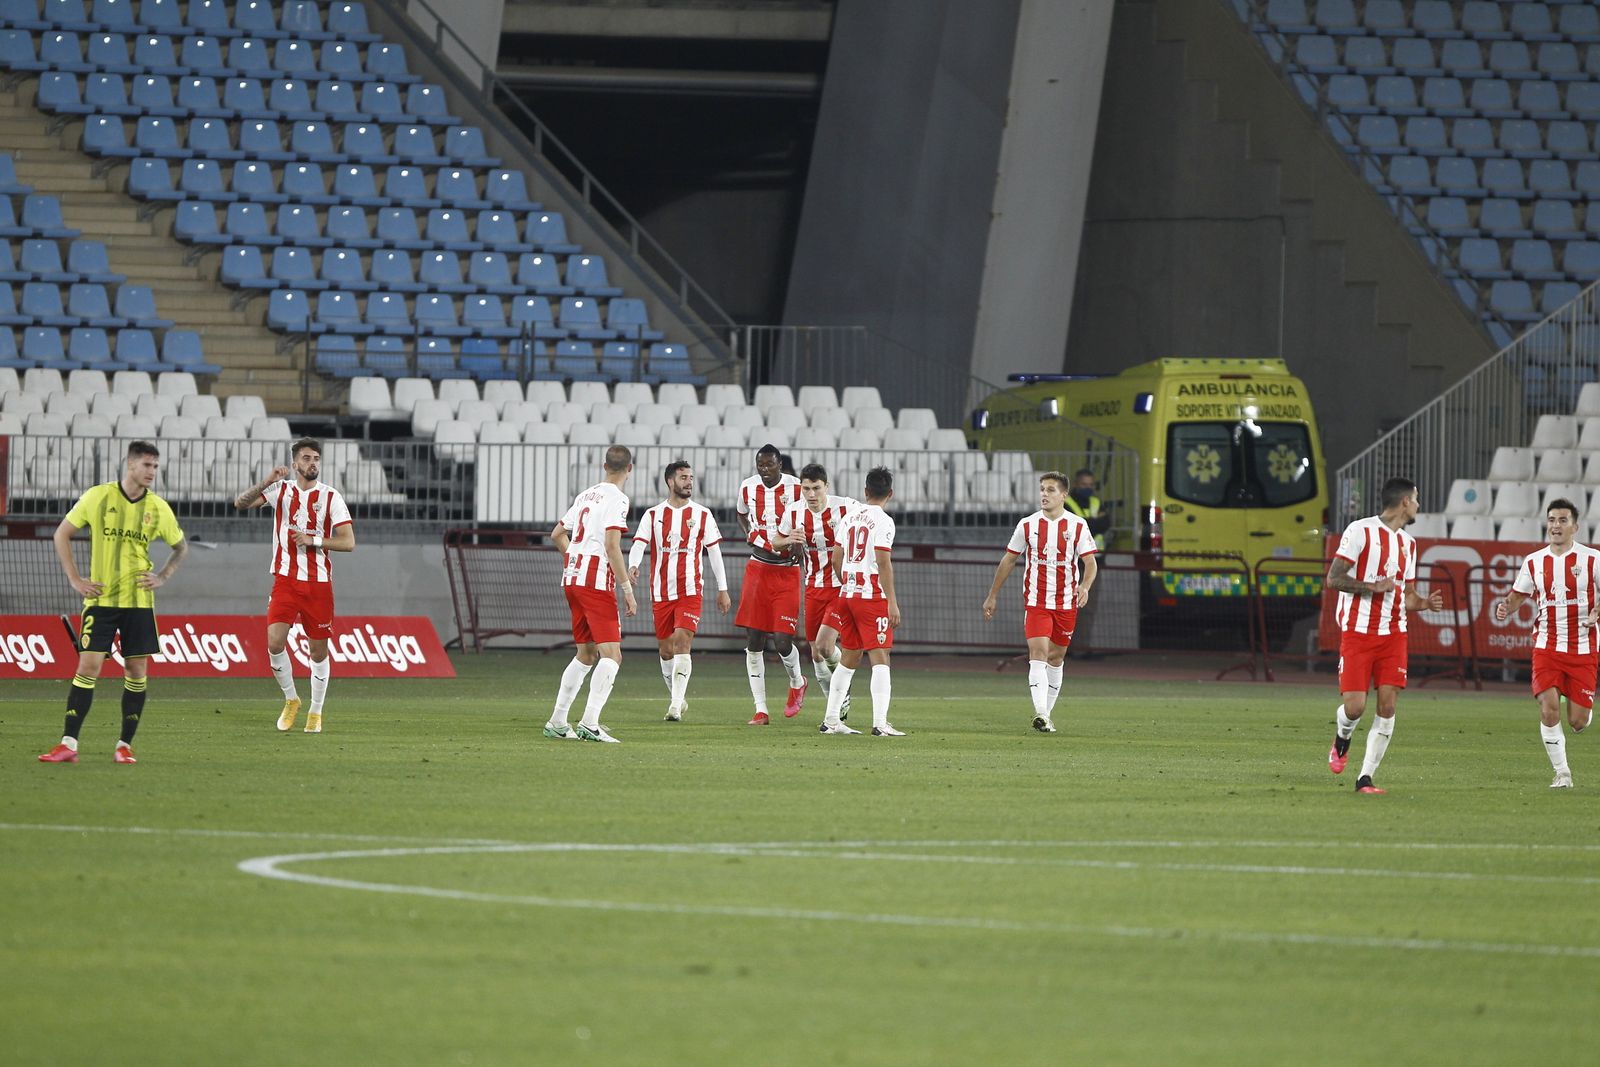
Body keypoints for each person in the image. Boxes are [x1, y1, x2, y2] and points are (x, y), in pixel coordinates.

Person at [39, 441, 189, 764]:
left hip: (139, 602)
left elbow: (181, 547)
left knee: (136, 671)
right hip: (101, 598)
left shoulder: (158, 508)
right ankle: (68, 744)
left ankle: (124, 745)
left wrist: (162, 577)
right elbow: (61, 534)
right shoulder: (98, 496)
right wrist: (75, 580)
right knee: (88, 665)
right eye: (147, 465)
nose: (152, 472)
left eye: (156, 467)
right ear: (131, 464)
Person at [1324, 476, 1444, 794]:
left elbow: (1407, 596)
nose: (1418, 504)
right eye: (1416, 499)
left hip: (1394, 634)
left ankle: (1365, 778)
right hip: (1357, 633)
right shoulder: (1359, 531)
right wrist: (1371, 587)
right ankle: (1342, 738)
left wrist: (1425, 604)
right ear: (1405, 502)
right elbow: (1333, 579)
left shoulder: (1409, 544)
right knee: (1354, 709)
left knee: (1387, 707)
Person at [234, 437, 355, 735]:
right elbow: (241, 503)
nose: (312, 463)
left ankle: (316, 711)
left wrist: (312, 540)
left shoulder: (331, 497)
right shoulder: (281, 491)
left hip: (319, 585)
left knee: (317, 652)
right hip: (285, 581)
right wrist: (266, 481)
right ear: (294, 464)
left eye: (316, 458)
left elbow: (348, 542)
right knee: (274, 643)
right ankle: (291, 700)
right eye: (306, 458)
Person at [980, 471, 1100, 734]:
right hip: (1036, 601)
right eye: (1042, 489)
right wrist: (992, 594)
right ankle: (1041, 714)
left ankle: (1047, 714)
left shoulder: (1077, 525)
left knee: (1056, 658)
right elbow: (1009, 560)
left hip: (1066, 603)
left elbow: (1090, 562)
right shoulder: (1027, 524)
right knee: (1038, 654)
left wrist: (1085, 586)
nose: (1044, 494)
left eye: (1051, 490)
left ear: (1063, 495)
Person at [1493, 498, 1597, 789]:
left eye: (1563, 520)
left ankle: (1582, 713)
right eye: (1552, 520)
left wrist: (1596, 612)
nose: (1556, 525)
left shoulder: (1592, 559)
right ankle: (1562, 772)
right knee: (1548, 706)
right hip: (1547, 645)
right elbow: (1516, 597)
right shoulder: (1534, 561)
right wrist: (1505, 607)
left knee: (1577, 721)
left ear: (1575, 527)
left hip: (1584, 648)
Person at [545, 445, 637, 743]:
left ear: (603, 466)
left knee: (586, 654)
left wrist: (575, 557)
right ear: (630, 469)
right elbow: (612, 546)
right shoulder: (618, 499)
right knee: (612, 654)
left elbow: (557, 534)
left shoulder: (585, 494)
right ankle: (590, 722)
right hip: (595, 581)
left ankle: (558, 721)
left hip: (572, 578)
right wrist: (627, 589)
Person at [628, 459, 731, 722]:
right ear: (670, 481)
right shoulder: (652, 515)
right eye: (683, 477)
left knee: (682, 642)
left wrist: (723, 588)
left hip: (690, 590)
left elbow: (714, 552)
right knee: (665, 650)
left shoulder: (702, 514)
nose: (689, 482)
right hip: (661, 592)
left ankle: (675, 705)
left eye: (691, 478)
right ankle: (678, 697)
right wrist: (633, 565)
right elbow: (639, 543)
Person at [818, 467, 903, 737]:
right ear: (890, 493)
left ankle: (831, 720)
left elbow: (835, 559)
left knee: (850, 657)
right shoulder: (885, 521)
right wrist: (892, 602)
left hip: (846, 596)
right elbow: (883, 561)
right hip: (871, 598)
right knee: (880, 656)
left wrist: (848, 583)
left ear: (865, 491)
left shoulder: (849, 517)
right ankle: (880, 723)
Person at [773, 462, 856, 718]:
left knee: (825, 645)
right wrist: (789, 541)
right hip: (813, 587)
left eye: (816, 488)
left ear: (826, 487)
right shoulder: (794, 512)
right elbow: (776, 542)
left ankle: (842, 690)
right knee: (817, 655)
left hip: (840, 588)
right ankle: (836, 706)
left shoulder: (846, 507)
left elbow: (869, 525)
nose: (811, 494)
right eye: (806, 489)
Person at [735, 443, 807, 725]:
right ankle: (761, 709)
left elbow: (806, 517)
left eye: (769, 465)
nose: (764, 470)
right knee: (754, 639)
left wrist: (800, 541)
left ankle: (797, 681)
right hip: (757, 568)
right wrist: (748, 533)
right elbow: (740, 513)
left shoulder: (797, 488)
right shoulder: (748, 488)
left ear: (780, 465)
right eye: (760, 465)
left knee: (782, 640)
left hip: (786, 572)